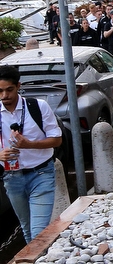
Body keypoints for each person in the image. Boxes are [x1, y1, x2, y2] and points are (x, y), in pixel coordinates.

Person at [0, 64, 63, 242]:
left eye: (9, 90)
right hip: (11, 178)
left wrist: (29, 144)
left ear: (18, 86)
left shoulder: (38, 107)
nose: (5, 96)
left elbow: (57, 140)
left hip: (41, 173)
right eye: (0, 91)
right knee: (27, 230)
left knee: (38, 234)